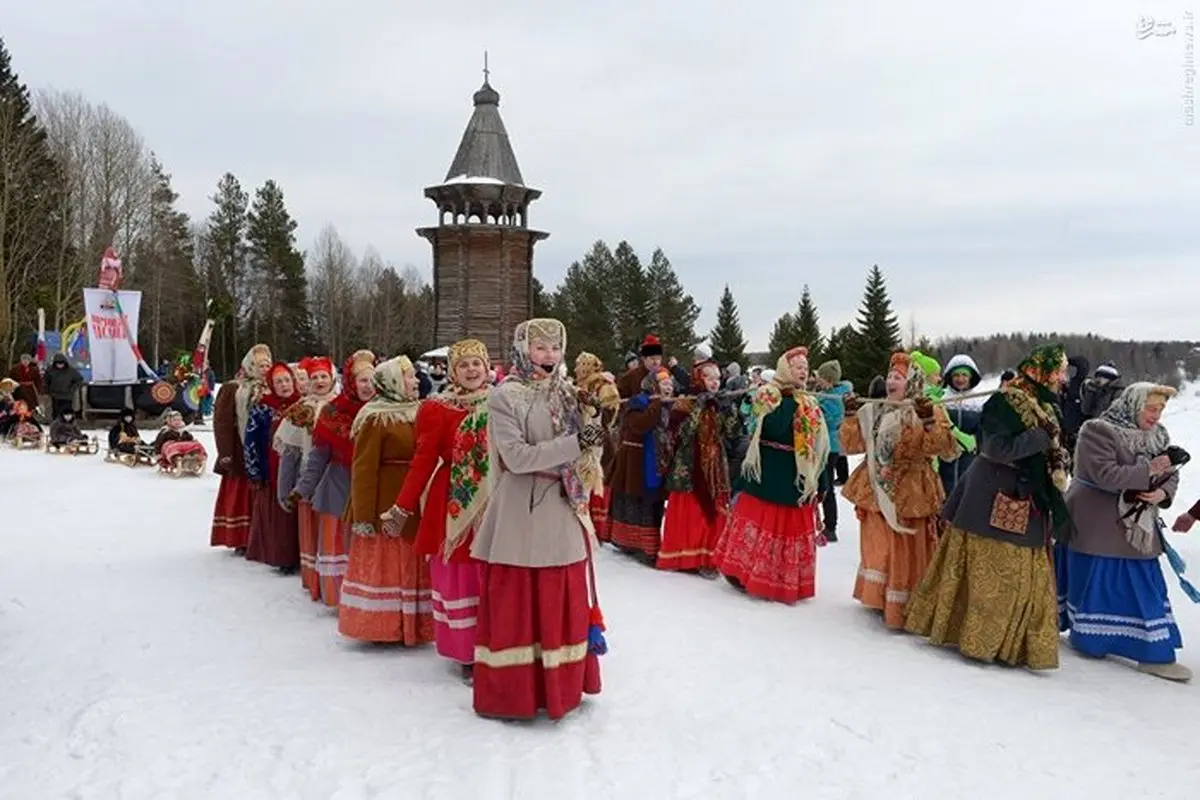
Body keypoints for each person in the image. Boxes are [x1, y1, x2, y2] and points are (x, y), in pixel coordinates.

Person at [904, 344, 1071, 670]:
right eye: (1058, 371)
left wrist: (1059, 456)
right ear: (1042, 371)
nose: (1062, 378)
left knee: (1023, 574)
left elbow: (1051, 443)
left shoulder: (1047, 407)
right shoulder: (1005, 401)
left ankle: (1014, 644)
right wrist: (1040, 438)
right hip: (995, 495)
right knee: (995, 573)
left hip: (1030, 498)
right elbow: (994, 448)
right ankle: (980, 640)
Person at [469, 318, 604, 721]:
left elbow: (588, 445)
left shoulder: (568, 393)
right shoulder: (504, 396)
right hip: (521, 511)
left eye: (554, 347)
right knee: (521, 601)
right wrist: (574, 444)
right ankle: (514, 693)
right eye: (540, 347)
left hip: (562, 506)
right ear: (523, 348)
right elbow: (517, 457)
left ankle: (560, 685)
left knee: (560, 595)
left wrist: (596, 426)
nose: (548, 355)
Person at [1059, 383, 1190, 681]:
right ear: (1133, 404)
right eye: (1151, 409)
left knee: (1144, 583)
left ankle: (1153, 652)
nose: (1156, 416)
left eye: (1161, 410)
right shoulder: (1097, 431)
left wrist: (1162, 494)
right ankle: (1093, 640)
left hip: (1137, 526)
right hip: (1096, 522)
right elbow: (1106, 475)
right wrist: (1154, 469)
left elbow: (1172, 474)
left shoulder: (1158, 435)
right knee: (1098, 579)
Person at [390, 340, 492, 678]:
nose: (472, 370)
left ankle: (499, 645)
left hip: (496, 496)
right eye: (464, 365)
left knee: (492, 571)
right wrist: (403, 506)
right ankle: (467, 652)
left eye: (477, 363)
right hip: (453, 500)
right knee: (461, 575)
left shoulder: (502, 402)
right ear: (452, 371)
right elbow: (422, 461)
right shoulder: (438, 409)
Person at [842, 352, 959, 628]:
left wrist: (928, 420)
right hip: (876, 487)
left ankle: (904, 603)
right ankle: (878, 596)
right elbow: (853, 445)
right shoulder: (876, 409)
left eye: (899, 377)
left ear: (913, 382)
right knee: (879, 546)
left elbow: (946, 449)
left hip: (912, 490)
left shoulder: (929, 409)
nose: (892, 381)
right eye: (891, 376)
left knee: (905, 548)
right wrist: (849, 415)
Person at [713, 346, 830, 603]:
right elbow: (772, 429)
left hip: (796, 476)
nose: (803, 372)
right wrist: (787, 401)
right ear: (785, 369)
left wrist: (820, 480)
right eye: (798, 367)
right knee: (759, 520)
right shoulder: (768, 395)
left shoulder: (809, 403)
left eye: (806, 369)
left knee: (788, 525)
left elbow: (818, 446)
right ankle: (742, 572)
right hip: (767, 472)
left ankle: (782, 580)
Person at [343, 356, 434, 646]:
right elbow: (364, 470)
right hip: (386, 506)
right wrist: (364, 516)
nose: (416, 381)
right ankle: (383, 627)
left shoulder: (421, 411)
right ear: (394, 380)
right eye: (409, 377)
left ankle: (415, 626)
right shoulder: (375, 417)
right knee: (389, 566)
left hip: (416, 503)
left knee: (413, 562)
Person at [293, 351, 375, 605]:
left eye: (373, 380)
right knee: (340, 543)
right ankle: (339, 596)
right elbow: (318, 456)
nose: (368, 386)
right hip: (340, 486)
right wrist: (304, 488)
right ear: (350, 381)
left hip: (373, 489)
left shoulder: (383, 411)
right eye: (362, 380)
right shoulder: (332, 412)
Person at [658, 358, 735, 575]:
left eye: (718, 378)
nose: (714, 382)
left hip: (715, 463)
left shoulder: (717, 403)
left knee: (714, 510)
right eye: (709, 377)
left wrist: (730, 411)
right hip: (690, 465)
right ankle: (687, 557)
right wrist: (698, 407)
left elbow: (732, 432)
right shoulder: (686, 401)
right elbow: (681, 433)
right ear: (699, 378)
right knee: (694, 511)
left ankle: (709, 557)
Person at [275, 356, 336, 599]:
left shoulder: (341, 407)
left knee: (332, 534)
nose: (320, 381)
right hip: (307, 480)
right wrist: (285, 487)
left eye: (324, 376)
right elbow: (290, 451)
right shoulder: (301, 409)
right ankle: (314, 581)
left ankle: (333, 581)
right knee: (311, 530)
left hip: (335, 478)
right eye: (315, 377)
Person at [210, 344, 272, 554]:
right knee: (241, 493)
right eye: (259, 364)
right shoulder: (233, 388)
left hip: (264, 449)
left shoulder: (271, 387)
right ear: (249, 364)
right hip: (239, 449)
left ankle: (261, 536)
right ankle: (240, 537)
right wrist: (225, 452)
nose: (264, 368)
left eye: (267, 364)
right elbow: (222, 422)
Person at [244, 364, 302, 573]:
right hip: (273, 468)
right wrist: (255, 471)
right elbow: (251, 441)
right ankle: (282, 557)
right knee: (279, 516)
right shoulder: (262, 407)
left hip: (299, 468)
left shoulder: (302, 404)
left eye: (287, 380)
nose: (284, 385)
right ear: (271, 385)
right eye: (279, 382)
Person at [813, 359, 853, 541]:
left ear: (828, 380)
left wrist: (815, 407)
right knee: (823, 485)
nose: (817, 380)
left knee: (826, 486)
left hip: (829, 447)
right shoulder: (829, 394)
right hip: (826, 445)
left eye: (820, 377)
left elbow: (828, 419)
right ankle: (828, 523)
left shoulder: (835, 398)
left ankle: (830, 526)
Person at [44, 354, 83, 418]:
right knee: (56, 414)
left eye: (62, 363)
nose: (60, 365)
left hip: (67, 396)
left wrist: (72, 388)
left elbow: (79, 379)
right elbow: (46, 381)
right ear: (55, 363)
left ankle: (67, 426)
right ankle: (56, 425)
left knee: (66, 414)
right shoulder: (50, 370)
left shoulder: (71, 371)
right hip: (55, 395)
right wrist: (48, 390)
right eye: (58, 363)